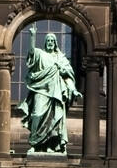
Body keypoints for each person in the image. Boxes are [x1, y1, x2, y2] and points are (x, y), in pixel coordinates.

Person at [16, 25, 81, 154]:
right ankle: (35, 144)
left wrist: (73, 90)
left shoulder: (60, 58)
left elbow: (68, 77)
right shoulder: (41, 54)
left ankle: (51, 145)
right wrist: (33, 37)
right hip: (41, 90)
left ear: (55, 43)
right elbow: (32, 53)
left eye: (52, 40)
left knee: (55, 118)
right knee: (37, 115)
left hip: (56, 93)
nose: (50, 42)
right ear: (45, 42)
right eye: (48, 40)